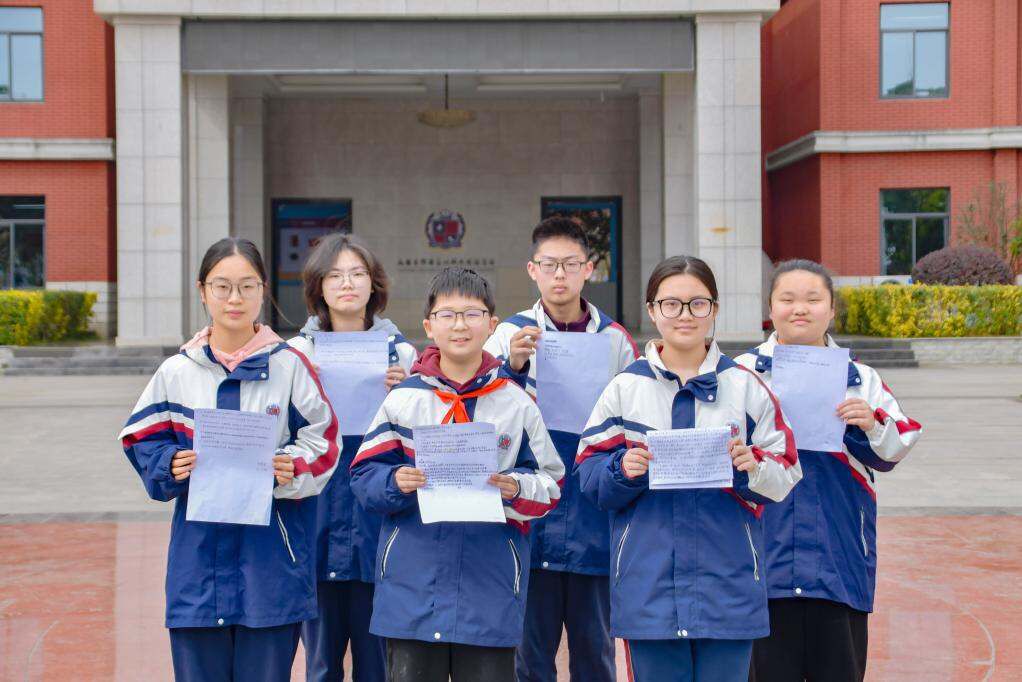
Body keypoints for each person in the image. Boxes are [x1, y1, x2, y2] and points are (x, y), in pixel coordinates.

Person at [119, 237, 339, 682]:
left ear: (263, 291)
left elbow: (325, 441)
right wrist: (169, 464)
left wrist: (292, 466)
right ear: (202, 291)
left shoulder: (290, 366)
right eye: (222, 286)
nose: (234, 298)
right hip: (197, 566)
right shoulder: (178, 371)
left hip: (272, 564)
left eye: (247, 286)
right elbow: (141, 437)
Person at [575, 255, 802, 682]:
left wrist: (751, 467)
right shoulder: (625, 388)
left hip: (729, 584)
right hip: (648, 586)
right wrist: (623, 469)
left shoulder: (745, 386)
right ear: (652, 310)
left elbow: (787, 471)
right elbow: (589, 475)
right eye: (671, 304)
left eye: (698, 304)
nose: (685, 315)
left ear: (714, 309)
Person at [350, 267, 565, 682]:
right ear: (429, 326)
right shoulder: (405, 399)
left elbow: (552, 485)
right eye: (447, 315)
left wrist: (515, 487)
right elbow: (363, 476)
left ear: (492, 324)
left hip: (490, 588)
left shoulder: (516, 403)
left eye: (472, 314)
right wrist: (395, 482)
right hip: (412, 589)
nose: (460, 325)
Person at [737, 259, 922, 682]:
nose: (800, 308)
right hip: (763, 562)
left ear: (832, 309)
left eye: (813, 299)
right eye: (787, 299)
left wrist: (871, 423)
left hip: (838, 562)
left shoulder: (861, 379)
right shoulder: (742, 374)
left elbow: (895, 447)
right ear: (770, 307)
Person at [483, 216, 637, 682]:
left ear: (589, 269)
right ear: (532, 270)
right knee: (529, 659)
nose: (559, 275)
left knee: (595, 656)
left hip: (593, 520)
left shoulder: (615, 340)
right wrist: (511, 367)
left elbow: (632, 416)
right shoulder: (507, 335)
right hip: (528, 519)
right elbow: (481, 415)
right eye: (549, 264)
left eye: (571, 264)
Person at [290, 233, 417, 682]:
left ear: (373, 283)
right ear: (318, 287)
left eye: (357, 274)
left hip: (377, 524)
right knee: (321, 664)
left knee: (377, 664)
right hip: (317, 519)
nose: (347, 284)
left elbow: (422, 437)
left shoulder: (402, 353)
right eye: (335, 275)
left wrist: (405, 395)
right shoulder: (297, 355)